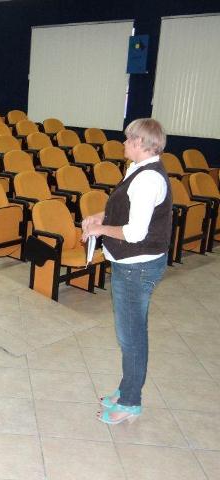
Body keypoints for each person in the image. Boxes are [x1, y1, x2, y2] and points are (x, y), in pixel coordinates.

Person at [81, 118, 172, 425]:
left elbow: (134, 233)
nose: (123, 143)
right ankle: (126, 389)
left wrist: (102, 228)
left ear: (140, 143)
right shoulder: (138, 170)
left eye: (127, 139)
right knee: (132, 333)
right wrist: (99, 216)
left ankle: (131, 402)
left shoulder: (148, 179)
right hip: (133, 264)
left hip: (138, 267)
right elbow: (124, 210)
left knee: (131, 337)